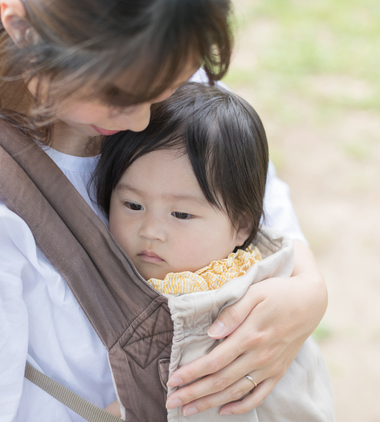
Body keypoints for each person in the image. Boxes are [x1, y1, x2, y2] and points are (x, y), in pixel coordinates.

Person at [0, 0, 328, 420]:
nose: (143, 118)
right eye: (118, 95)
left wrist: (307, 288)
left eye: (169, 84)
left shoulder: (150, 57)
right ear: (21, 26)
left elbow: (248, 187)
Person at [94, 82, 334, 419]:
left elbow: (206, 393)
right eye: (133, 205)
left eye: (181, 214)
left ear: (241, 228)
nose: (150, 230)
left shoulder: (230, 303)